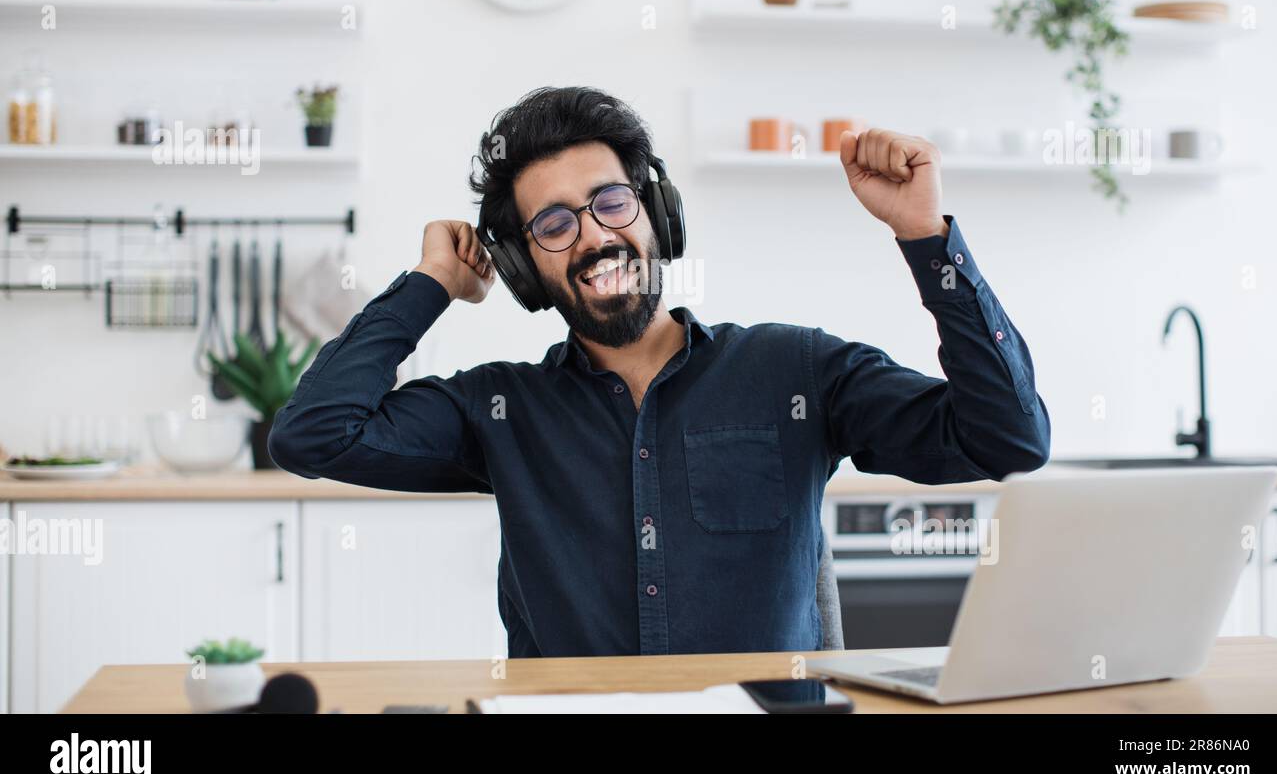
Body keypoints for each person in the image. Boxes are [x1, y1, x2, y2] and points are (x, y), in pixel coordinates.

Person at [269, 85, 1051, 658]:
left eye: (611, 202)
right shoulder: (499, 408)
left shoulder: (797, 370)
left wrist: (924, 232)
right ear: (523, 268)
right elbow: (312, 435)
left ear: (656, 214)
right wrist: (431, 284)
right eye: (553, 224)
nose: (593, 237)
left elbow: (1008, 438)